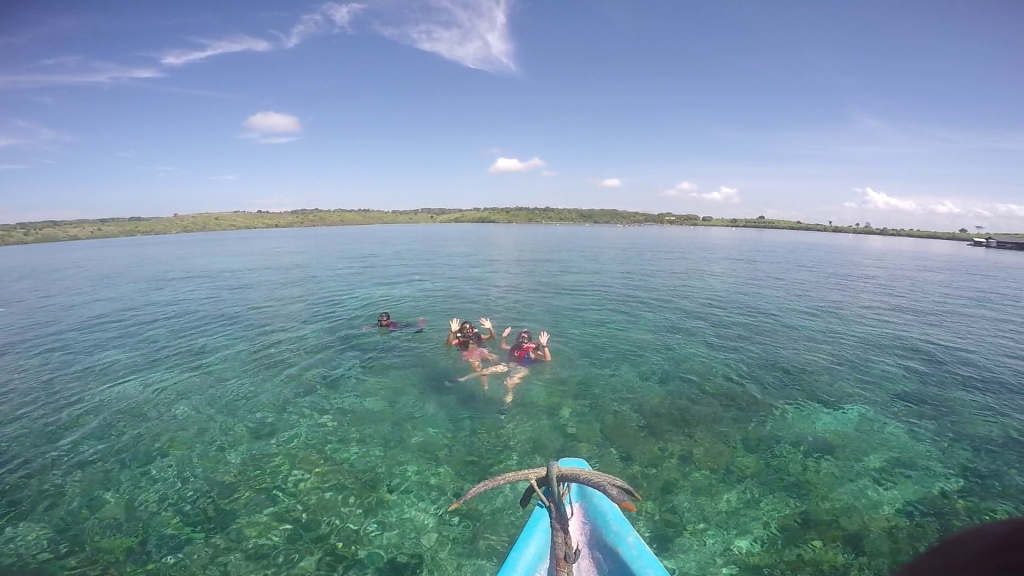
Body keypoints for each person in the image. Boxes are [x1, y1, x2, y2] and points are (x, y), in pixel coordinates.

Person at [459, 326, 551, 411]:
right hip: (509, 366)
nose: (522, 343)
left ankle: (505, 406)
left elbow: (547, 359)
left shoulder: (532, 351)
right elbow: (503, 346)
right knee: (484, 371)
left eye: (525, 340)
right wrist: (503, 337)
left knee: (509, 383)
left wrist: (544, 346)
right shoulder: (516, 347)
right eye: (520, 340)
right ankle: (461, 380)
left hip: (522, 369)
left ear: (529, 342)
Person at [447, 318, 498, 388]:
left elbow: (492, 338)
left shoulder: (477, 336)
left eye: (469, 331)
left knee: (496, 358)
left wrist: (490, 328)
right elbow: (449, 344)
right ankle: (485, 386)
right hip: (469, 354)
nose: (468, 333)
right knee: (478, 369)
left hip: (481, 350)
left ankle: (498, 374)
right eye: (466, 331)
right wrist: (452, 332)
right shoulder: (459, 340)